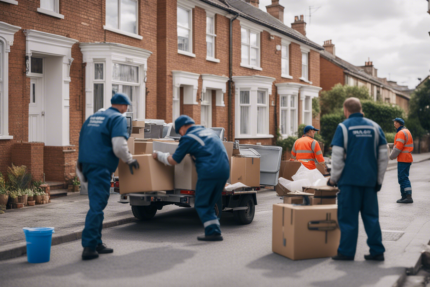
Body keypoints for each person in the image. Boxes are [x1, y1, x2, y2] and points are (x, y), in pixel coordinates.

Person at [77, 93, 140, 260]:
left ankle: (97, 242)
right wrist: (130, 160)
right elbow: (119, 146)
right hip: (101, 166)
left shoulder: (92, 118)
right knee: (97, 206)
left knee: (96, 204)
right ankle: (89, 246)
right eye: (127, 107)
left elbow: (82, 141)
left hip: (88, 165)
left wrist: (81, 170)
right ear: (124, 106)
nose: (126, 110)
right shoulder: (117, 118)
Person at [328, 97, 389, 261]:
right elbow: (384, 157)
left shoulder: (343, 127)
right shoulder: (375, 127)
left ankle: (346, 252)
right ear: (361, 109)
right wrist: (379, 180)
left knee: (348, 218)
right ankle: (377, 251)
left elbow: (337, 157)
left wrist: (333, 179)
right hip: (369, 182)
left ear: (346, 110)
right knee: (371, 217)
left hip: (349, 182)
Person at [153, 115, 230, 241]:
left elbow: (174, 160)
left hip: (209, 172)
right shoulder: (209, 132)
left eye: (180, 131)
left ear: (183, 127)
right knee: (210, 203)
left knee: (201, 203)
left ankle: (213, 233)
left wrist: (159, 155)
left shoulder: (188, 138)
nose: (180, 134)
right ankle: (215, 231)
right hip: (224, 170)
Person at [390, 118, 414, 204]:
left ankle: (407, 197)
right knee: (403, 177)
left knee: (403, 178)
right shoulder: (407, 131)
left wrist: (391, 156)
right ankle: (405, 196)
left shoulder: (401, 133)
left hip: (403, 158)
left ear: (399, 123)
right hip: (407, 157)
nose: (394, 124)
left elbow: (398, 147)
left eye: (395, 123)